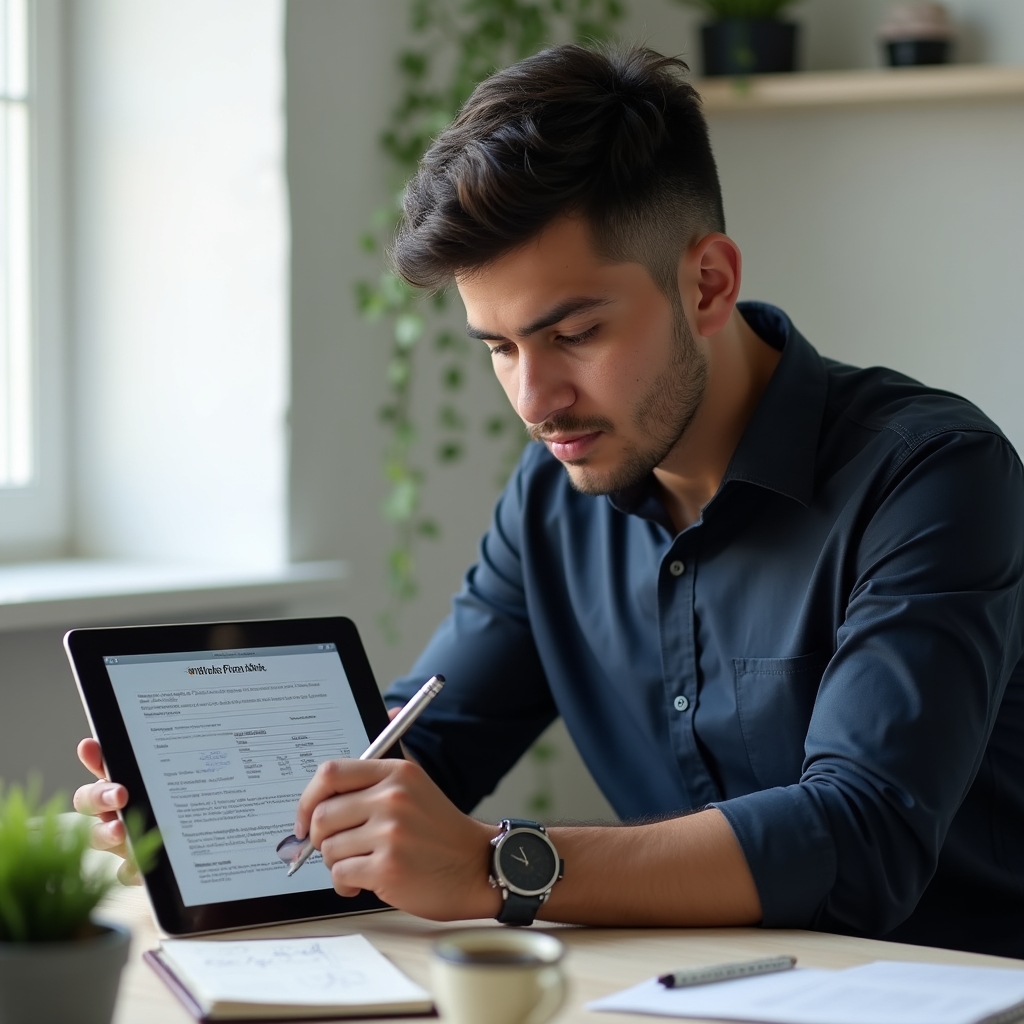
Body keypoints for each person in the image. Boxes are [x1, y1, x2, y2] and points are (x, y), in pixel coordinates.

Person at [74, 45, 1024, 957]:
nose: (534, 401)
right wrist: (211, 822)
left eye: (572, 333)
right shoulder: (555, 494)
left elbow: (861, 838)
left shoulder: (933, 474)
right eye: (497, 348)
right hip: (682, 994)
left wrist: (501, 866)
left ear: (708, 282)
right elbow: (424, 747)